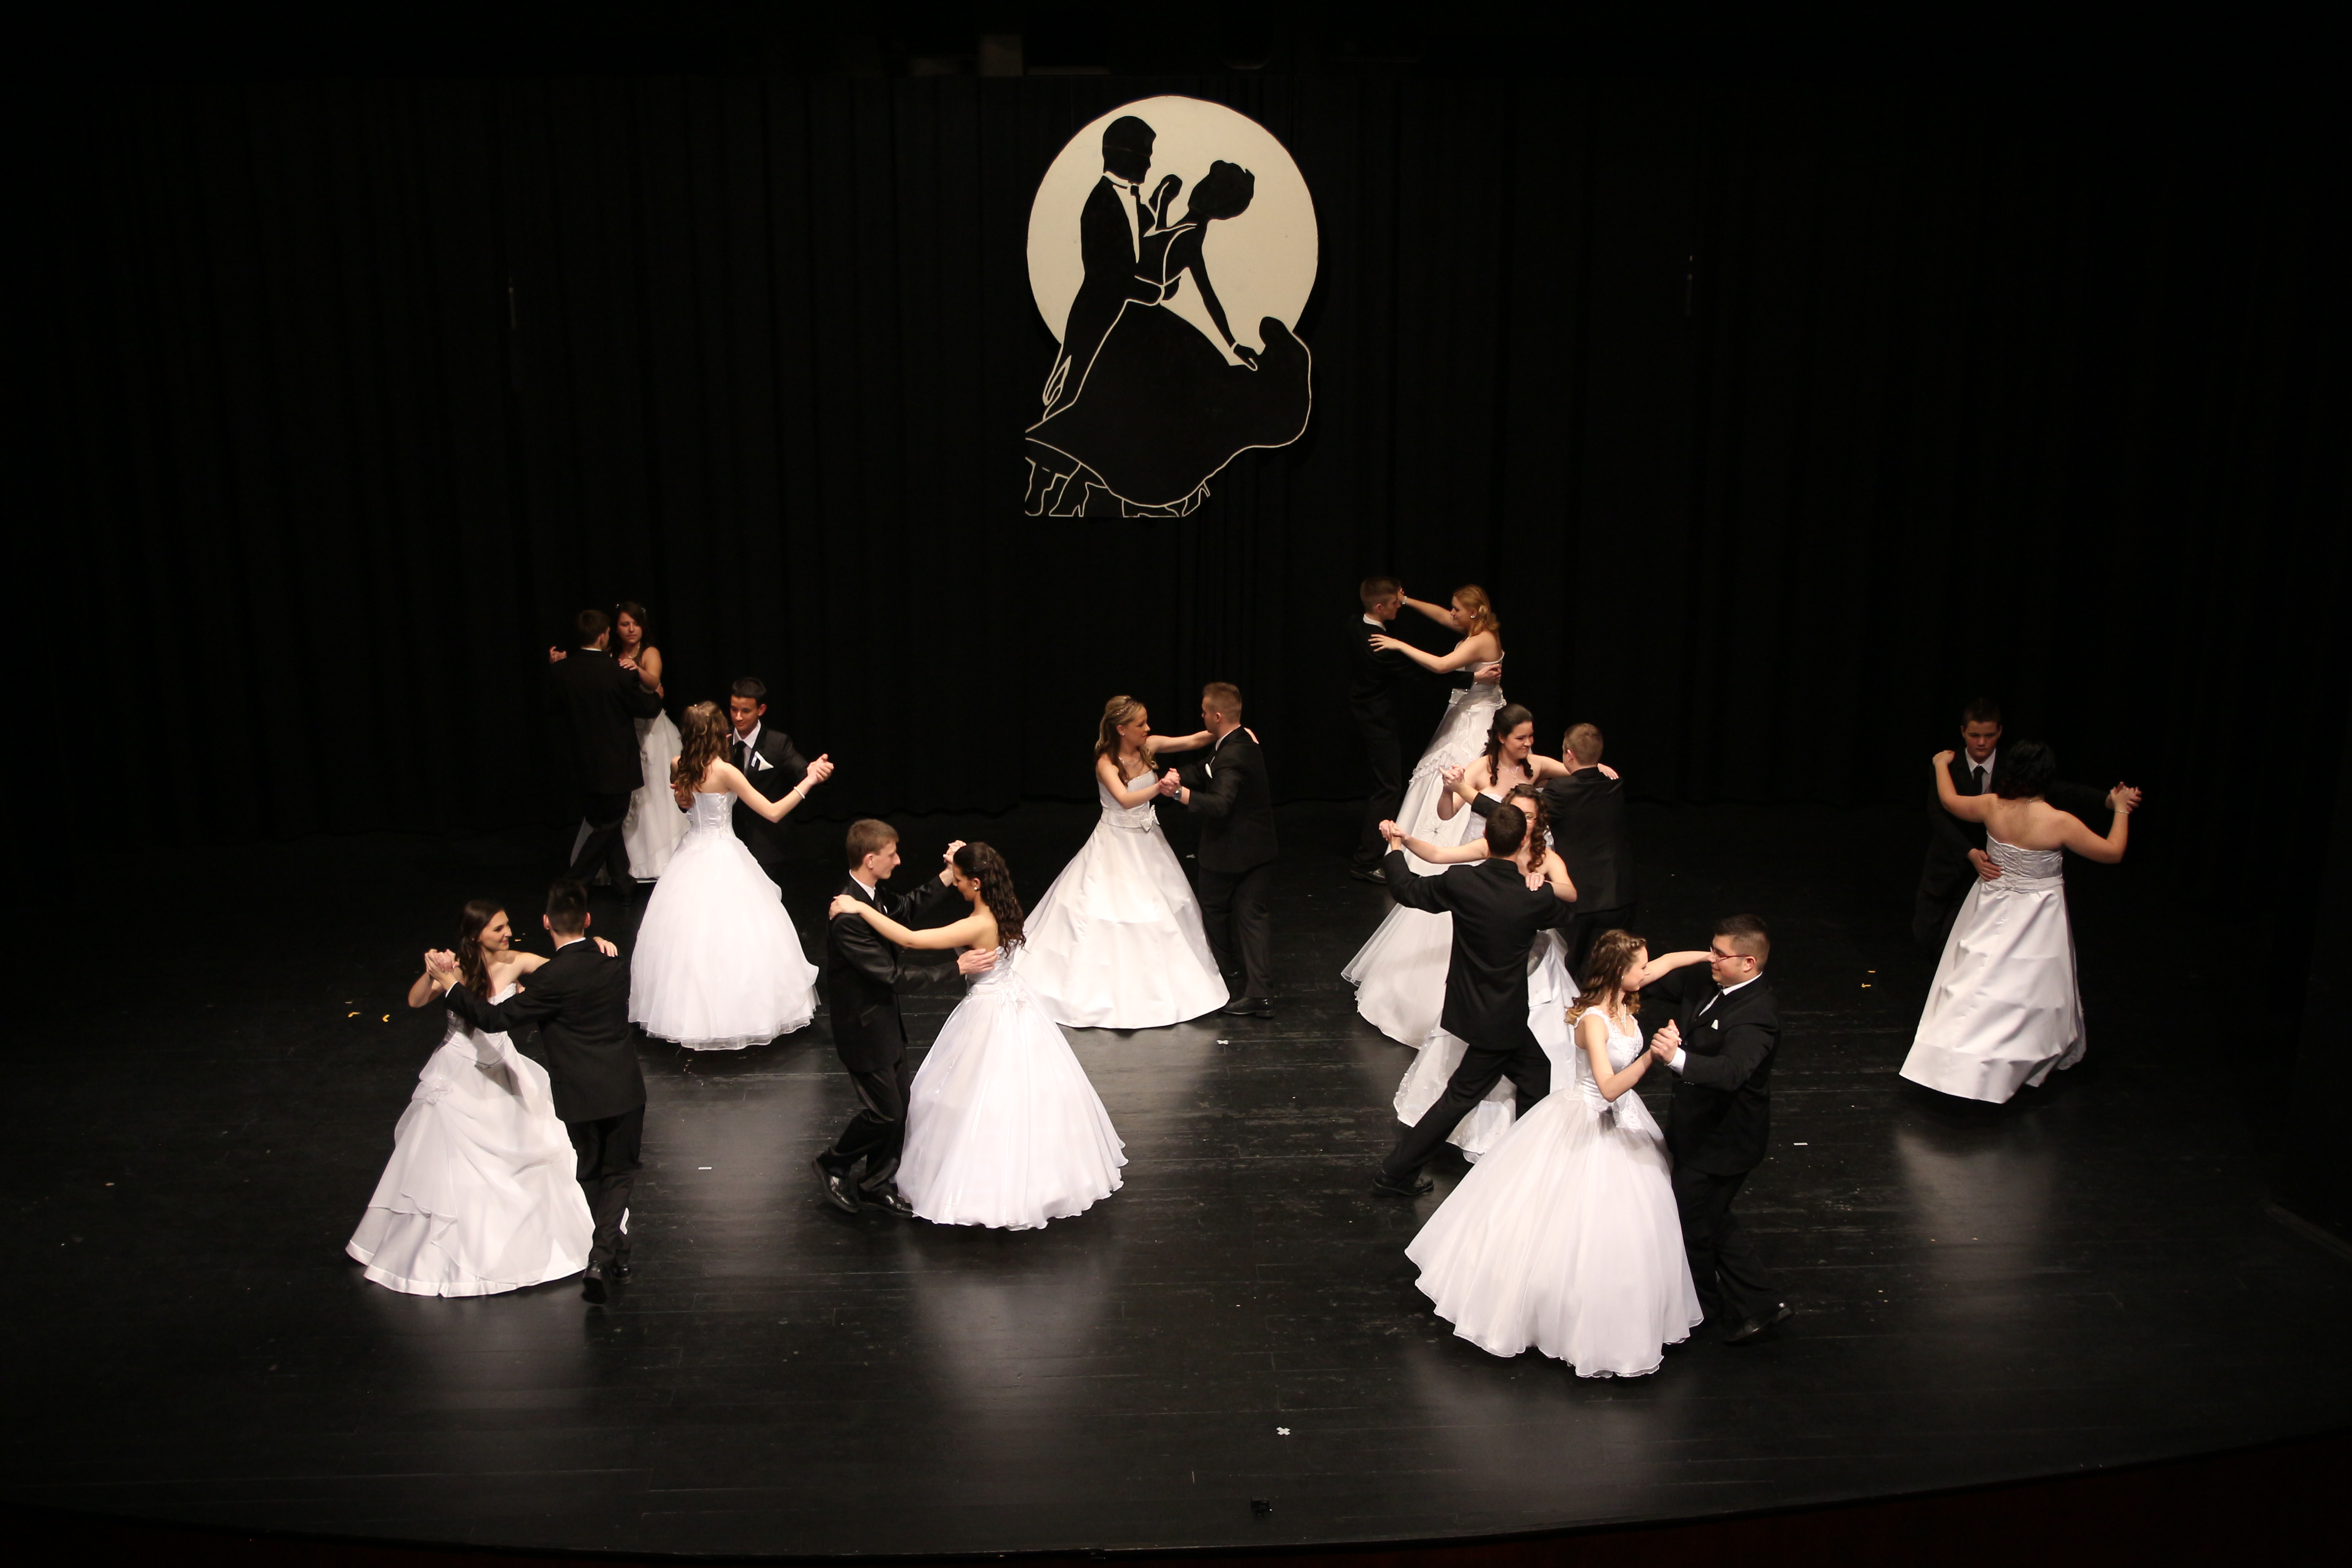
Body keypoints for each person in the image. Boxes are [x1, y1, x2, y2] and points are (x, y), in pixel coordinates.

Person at [1403, 930, 1705, 1377]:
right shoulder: (1595, 1021)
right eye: (1640, 967)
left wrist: (1710, 956)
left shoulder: (1625, 996)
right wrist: (1652, 1058)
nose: (1648, 972)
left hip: (1623, 1117)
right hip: (1588, 1113)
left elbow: (1667, 962)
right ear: (1619, 972)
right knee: (1568, 1219)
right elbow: (1607, 1088)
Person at [831, 843, 1126, 1229]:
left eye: (959, 881)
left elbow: (910, 940)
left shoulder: (977, 924)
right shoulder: (1004, 908)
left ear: (976, 883)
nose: (955, 886)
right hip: (1015, 1001)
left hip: (988, 1010)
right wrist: (956, 860)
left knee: (982, 1094)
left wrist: (860, 908)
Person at [346, 900, 607, 1296]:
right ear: (475, 934)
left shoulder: (517, 961)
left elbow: (567, 969)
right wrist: (433, 972)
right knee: (448, 1166)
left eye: (507, 926)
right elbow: (416, 1001)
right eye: (498, 929)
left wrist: (593, 943)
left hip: (502, 1070)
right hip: (458, 1075)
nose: (508, 934)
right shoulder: (456, 970)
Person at [425, 880, 645, 1303]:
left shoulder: (549, 980)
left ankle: (608, 1255)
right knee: (620, 1172)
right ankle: (608, 1255)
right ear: (587, 920)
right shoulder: (612, 963)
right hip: (623, 1087)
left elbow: (494, 1019)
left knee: (592, 1172)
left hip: (578, 1094)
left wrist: (452, 987)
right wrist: (597, 942)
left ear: (546, 923)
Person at [1901, 741, 2139, 1103]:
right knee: (2026, 987)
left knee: (1978, 977)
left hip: (1992, 905)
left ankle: (1956, 1055)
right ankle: (2010, 1059)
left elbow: (1949, 802)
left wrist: (1939, 764)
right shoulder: (2059, 821)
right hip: (2037, 914)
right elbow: (2113, 852)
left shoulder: (1992, 806)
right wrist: (2120, 809)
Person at [1371, 803, 1575, 1197]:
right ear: (1523, 842)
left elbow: (1407, 889)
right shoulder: (1531, 897)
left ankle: (1525, 1155)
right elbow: (1568, 911)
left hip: (1468, 1006)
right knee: (1461, 1096)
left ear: (1486, 838)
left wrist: (1395, 849)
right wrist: (1541, 883)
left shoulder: (1462, 881)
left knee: (1536, 1072)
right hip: (1500, 1020)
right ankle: (1394, 1173)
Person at [815, 822, 997, 1216]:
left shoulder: (870, 896)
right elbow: (892, 976)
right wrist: (955, 968)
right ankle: (834, 1163)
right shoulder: (847, 917)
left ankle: (876, 1182)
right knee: (887, 1112)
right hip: (863, 1028)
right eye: (892, 854)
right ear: (870, 860)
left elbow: (906, 909)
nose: (898, 861)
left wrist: (947, 875)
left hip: (883, 1022)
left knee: (901, 1106)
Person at [627, 702, 831, 1052]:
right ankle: (738, 1015)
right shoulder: (725, 772)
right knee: (737, 937)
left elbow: (684, 804)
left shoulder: (678, 764)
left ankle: (689, 1016)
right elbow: (772, 812)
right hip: (723, 852)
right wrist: (809, 780)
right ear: (717, 734)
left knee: (688, 939)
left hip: (690, 853)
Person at [1016, 695, 1228, 1028]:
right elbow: (1126, 800)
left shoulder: (1148, 747)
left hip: (1148, 841)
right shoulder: (1107, 763)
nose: (1148, 728)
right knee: (1113, 911)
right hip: (1116, 842)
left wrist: (1232, 731)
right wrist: (1161, 788)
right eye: (1140, 724)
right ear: (1121, 729)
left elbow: (1193, 740)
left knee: (1162, 905)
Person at [1343, 672, 1527, 1050]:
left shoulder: (1535, 767)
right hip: (1476, 854)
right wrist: (1448, 790)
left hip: (1516, 867)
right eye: (1521, 738)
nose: (1528, 744)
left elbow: (1569, 773)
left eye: (1531, 737)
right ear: (1503, 738)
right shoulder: (1480, 768)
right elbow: (1446, 813)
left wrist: (1593, 770)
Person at [1643, 915, 1791, 1343]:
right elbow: (1644, 979)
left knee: (1696, 1223)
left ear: (1748, 963)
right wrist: (1684, 957)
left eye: (1720, 954)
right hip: (1696, 1129)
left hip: (1725, 1141)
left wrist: (1675, 1058)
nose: (1711, 959)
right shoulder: (1707, 982)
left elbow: (1731, 1072)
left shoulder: (1757, 1015)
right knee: (1708, 1217)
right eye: (1711, 949)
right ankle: (1761, 1304)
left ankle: (1706, 1309)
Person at [1911, 698, 2120, 951]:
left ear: (2000, 732)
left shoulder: (2011, 772)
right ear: (1963, 732)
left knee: (1968, 944)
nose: (1981, 742)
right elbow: (1941, 811)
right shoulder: (1949, 767)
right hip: (1952, 862)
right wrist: (1970, 853)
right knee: (1927, 936)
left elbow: (2065, 790)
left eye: (1989, 735)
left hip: (1995, 877)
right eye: (1975, 735)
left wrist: (2107, 801)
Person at [1157, 682, 1279, 1017]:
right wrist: (1177, 775)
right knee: (1252, 918)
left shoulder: (1235, 752)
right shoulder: (1238, 742)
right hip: (1259, 849)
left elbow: (1221, 803)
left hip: (1230, 853)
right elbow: (1206, 769)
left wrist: (1177, 793)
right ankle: (1260, 994)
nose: (1202, 716)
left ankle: (1230, 976)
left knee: (1214, 911)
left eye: (1204, 712)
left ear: (1218, 716)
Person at [548, 609, 664, 891]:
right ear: (603, 636)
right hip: (615, 762)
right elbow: (644, 708)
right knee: (610, 824)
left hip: (580, 762)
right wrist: (658, 697)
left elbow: (555, 709)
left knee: (603, 822)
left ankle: (623, 883)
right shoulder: (618, 672)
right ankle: (572, 884)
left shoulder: (562, 671)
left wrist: (556, 667)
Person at [726, 677, 811, 899]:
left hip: (766, 840)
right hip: (728, 837)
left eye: (746, 711)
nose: (738, 717)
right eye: (734, 709)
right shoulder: (720, 740)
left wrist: (816, 772)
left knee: (762, 899)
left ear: (761, 710)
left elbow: (802, 770)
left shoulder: (777, 743)